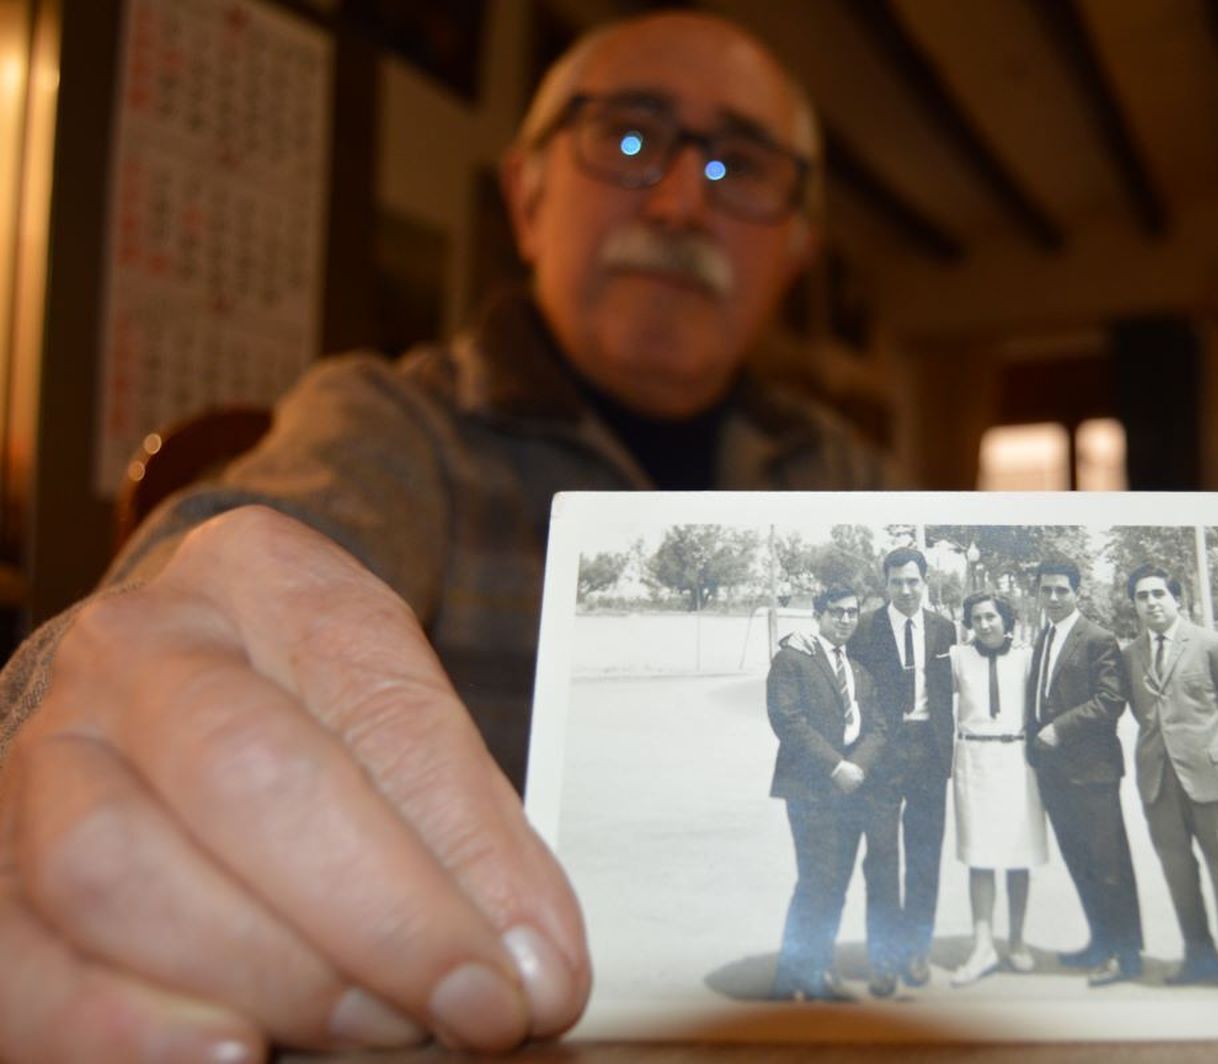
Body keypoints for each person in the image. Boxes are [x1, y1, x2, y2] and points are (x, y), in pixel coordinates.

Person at [0, 12, 894, 1060]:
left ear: (793, 249)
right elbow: (220, 562)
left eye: (739, 166)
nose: (681, 199)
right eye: (629, 136)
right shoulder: (392, 422)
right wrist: (119, 669)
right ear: (526, 197)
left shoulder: (846, 471)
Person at [1123, 563, 1218, 1000]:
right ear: (1134, 605)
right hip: (1159, 783)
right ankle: (1199, 958)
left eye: (1159, 594)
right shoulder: (1130, 655)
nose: (1151, 603)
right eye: (1142, 596)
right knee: (1179, 875)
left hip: (1213, 779)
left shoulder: (1211, 644)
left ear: (1176, 599)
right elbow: (1143, 714)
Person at [767, 586, 897, 1002]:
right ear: (818, 615)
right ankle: (790, 977)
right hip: (811, 788)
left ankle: (818, 969)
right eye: (836, 612)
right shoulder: (793, 660)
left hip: (852, 788)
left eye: (852, 613)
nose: (845, 619)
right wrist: (835, 766)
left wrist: (857, 766)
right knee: (815, 880)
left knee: (835, 883)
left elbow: (878, 727)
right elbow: (788, 720)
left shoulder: (858, 669)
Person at [1024, 560, 1145, 987]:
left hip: (1093, 772)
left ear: (1077, 592)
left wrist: (1060, 728)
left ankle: (1126, 955)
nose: (1053, 597)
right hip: (1054, 773)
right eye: (1046, 590)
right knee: (1080, 863)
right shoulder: (1044, 637)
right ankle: (1100, 942)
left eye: (1062, 590)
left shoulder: (1097, 638)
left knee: (1108, 865)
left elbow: (1111, 701)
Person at [846, 546, 956, 994]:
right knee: (882, 856)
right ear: (885, 584)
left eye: (913, 581)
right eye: (897, 582)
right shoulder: (865, 629)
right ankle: (883, 956)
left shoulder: (944, 628)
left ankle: (916, 950)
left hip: (929, 751)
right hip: (882, 754)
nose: (906, 590)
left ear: (925, 582)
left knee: (925, 856)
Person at [947, 592, 1048, 988]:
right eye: (976, 618)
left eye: (991, 616)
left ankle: (1017, 941)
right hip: (974, 759)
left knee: (1019, 856)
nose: (985, 624)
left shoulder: (1026, 658)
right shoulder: (957, 657)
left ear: (1006, 619)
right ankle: (983, 946)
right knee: (980, 856)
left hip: (1017, 761)